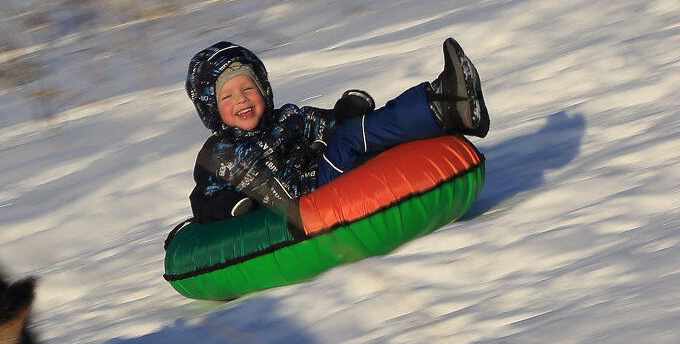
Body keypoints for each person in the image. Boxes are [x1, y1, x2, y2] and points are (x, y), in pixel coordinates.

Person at [185, 38, 490, 230]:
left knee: (360, 135)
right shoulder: (219, 153)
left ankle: (452, 111)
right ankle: (444, 105)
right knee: (351, 139)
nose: (241, 99)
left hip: (328, 178)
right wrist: (232, 206)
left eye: (248, 88)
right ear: (211, 109)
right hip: (305, 201)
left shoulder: (289, 118)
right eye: (227, 97)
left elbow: (325, 124)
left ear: (263, 89)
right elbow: (203, 201)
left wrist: (342, 113)